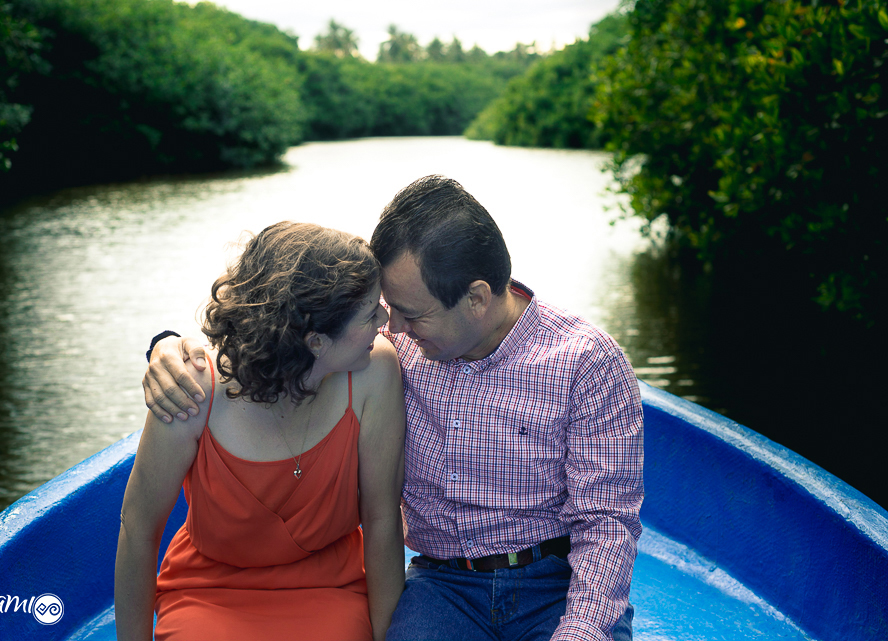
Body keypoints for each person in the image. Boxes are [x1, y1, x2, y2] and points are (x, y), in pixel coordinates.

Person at [144, 176, 644, 641]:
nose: (392, 327)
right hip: (444, 587)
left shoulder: (587, 363)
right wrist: (169, 347)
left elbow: (607, 524)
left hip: (556, 584)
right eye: (385, 308)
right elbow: (291, 320)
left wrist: (581, 631)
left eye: (410, 313)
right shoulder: (387, 352)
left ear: (476, 298)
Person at [116, 222, 407, 641]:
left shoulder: (374, 369)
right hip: (208, 591)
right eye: (370, 313)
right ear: (316, 342)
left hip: (330, 587)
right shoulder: (192, 389)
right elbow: (138, 526)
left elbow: (381, 519)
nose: (386, 319)